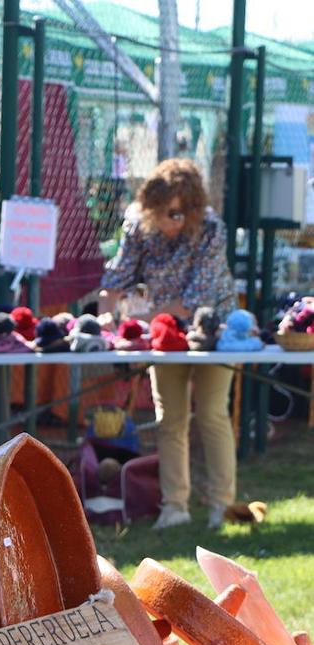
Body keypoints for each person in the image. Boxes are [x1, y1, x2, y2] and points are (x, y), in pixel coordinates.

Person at [100, 158, 238, 530]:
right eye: (161, 212)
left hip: (213, 331)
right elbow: (115, 278)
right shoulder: (138, 223)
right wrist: (105, 318)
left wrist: (138, 320)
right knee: (170, 419)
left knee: (211, 414)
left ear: (192, 208)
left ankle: (221, 506)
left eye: (176, 214)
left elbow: (193, 300)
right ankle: (174, 507)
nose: (167, 221)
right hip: (164, 337)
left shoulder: (211, 228)